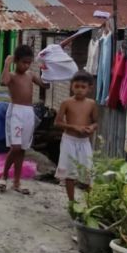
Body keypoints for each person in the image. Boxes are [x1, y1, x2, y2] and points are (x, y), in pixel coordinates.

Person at [0, 44, 49, 195]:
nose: (26, 66)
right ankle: (4, 175)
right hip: (16, 112)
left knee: (22, 149)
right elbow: (4, 81)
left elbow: (45, 85)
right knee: (15, 147)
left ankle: (17, 182)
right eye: (23, 62)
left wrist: (49, 69)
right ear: (16, 61)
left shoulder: (31, 75)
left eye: (28, 63)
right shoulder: (12, 76)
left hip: (28, 113)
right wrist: (7, 63)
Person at [55, 71, 98, 202]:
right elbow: (57, 122)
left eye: (83, 87)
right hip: (69, 140)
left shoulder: (91, 104)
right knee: (70, 173)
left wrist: (91, 127)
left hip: (84, 142)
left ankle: (90, 203)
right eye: (76, 86)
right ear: (71, 86)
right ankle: (72, 202)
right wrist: (74, 127)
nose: (79, 90)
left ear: (90, 88)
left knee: (88, 171)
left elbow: (96, 122)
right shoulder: (66, 103)